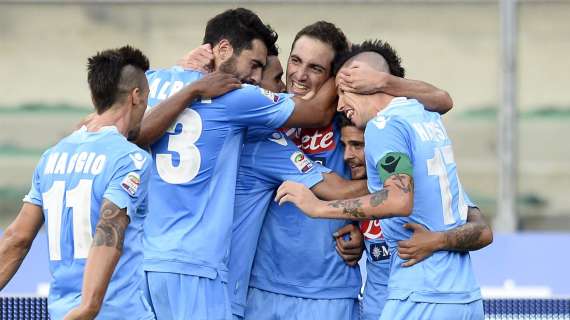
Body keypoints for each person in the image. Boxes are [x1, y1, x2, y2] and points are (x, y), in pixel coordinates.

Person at [245, 22, 456, 320]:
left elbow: (442, 101)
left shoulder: (352, 120)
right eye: (295, 61)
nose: (300, 76)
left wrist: (382, 80)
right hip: (263, 287)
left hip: (332, 292)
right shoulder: (265, 118)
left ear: (333, 79)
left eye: (316, 68)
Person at [139, 8, 339, 320]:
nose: (256, 78)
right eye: (255, 64)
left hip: (143, 262)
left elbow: (107, 128)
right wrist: (345, 69)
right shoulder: (236, 97)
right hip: (196, 266)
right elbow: (319, 112)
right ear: (222, 50)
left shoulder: (151, 82)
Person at [0, 46, 154, 319]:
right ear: (136, 96)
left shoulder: (53, 156)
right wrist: (88, 308)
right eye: (147, 100)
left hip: (61, 311)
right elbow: (108, 232)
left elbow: (17, 238)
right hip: (114, 312)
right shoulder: (130, 159)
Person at [338, 113, 492, 319]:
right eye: (345, 145)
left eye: (358, 145)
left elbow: (483, 232)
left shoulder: (424, 183)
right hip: (375, 311)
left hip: (421, 307)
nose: (348, 155)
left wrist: (437, 240)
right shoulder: (354, 193)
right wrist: (356, 234)